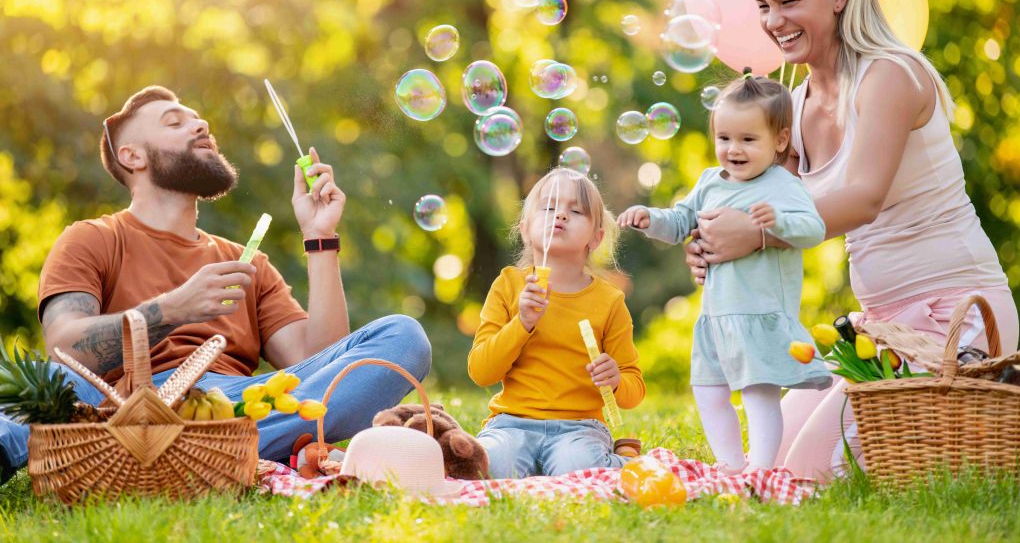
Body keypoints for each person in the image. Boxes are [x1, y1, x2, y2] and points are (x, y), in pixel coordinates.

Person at [684, 0, 1019, 480]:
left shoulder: (890, 75)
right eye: (764, 5)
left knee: (809, 476)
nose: (774, 21)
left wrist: (755, 233)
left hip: (953, 320)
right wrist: (716, 241)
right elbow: (763, 206)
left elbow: (861, 198)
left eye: (789, 1)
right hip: (878, 334)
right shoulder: (793, 104)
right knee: (770, 464)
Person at [0, 86, 431, 485]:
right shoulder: (93, 238)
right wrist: (173, 309)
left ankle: (191, 448)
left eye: (199, 119)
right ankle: (199, 451)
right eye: (174, 122)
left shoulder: (247, 265)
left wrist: (320, 238)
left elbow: (323, 369)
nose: (201, 125)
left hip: (230, 407)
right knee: (44, 378)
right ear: (133, 156)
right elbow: (65, 348)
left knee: (402, 336)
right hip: (117, 406)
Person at [619, 74, 831, 474]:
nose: (734, 149)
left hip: (759, 316)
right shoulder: (709, 182)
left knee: (758, 395)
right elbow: (681, 220)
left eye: (748, 140)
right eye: (724, 138)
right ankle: (731, 464)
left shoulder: (781, 185)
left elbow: (814, 229)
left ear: (780, 141)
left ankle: (762, 469)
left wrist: (777, 223)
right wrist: (651, 220)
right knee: (708, 391)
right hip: (715, 319)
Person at [468, 168, 645, 478]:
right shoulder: (508, 286)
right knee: (492, 466)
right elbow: (481, 372)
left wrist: (616, 379)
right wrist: (521, 323)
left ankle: (624, 457)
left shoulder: (609, 301)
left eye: (575, 211)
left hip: (579, 428)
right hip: (511, 422)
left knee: (576, 467)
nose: (560, 215)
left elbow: (634, 391)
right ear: (525, 229)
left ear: (596, 237)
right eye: (549, 207)